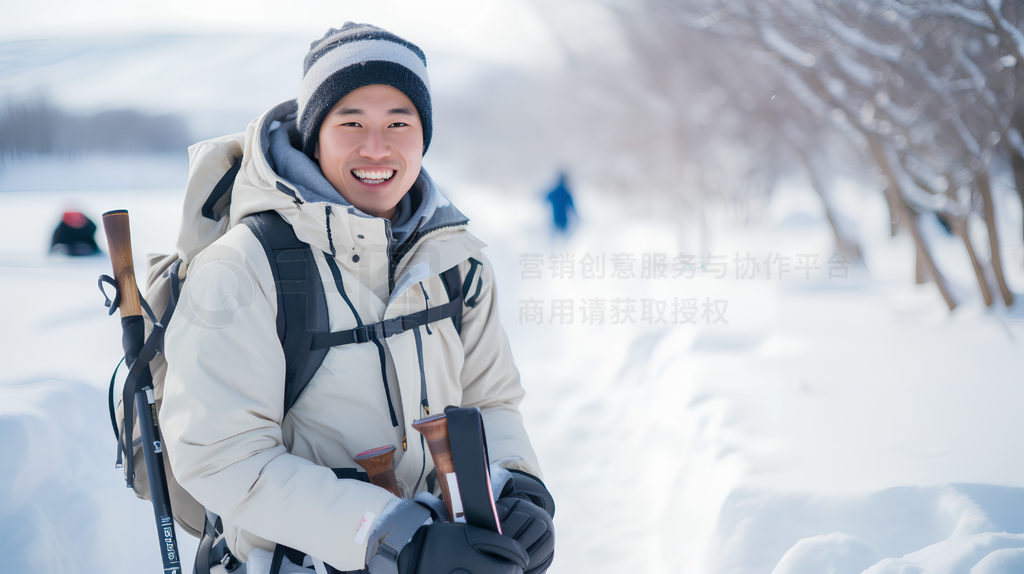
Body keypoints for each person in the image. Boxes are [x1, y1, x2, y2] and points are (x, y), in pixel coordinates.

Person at [160, 23, 554, 574]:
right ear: (313, 133)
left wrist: (519, 489)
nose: (377, 147)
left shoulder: (455, 259)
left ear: (424, 136)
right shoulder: (244, 266)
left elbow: (490, 403)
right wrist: (393, 538)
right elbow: (222, 457)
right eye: (351, 123)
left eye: (399, 121)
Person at [544, 172, 577, 237]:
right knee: (562, 237)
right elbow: (572, 207)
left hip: (555, 218)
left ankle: (554, 246)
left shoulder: (554, 192)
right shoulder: (566, 193)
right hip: (564, 219)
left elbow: (547, 198)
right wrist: (578, 217)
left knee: (556, 236)